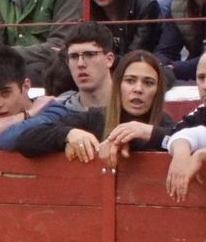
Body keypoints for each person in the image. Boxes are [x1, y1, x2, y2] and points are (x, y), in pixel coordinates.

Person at [15, 49, 172, 161]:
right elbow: (25, 140)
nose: (138, 89)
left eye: (148, 82)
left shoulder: (168, 126)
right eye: (130, 80)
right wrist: (68, 134)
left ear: (158, 90)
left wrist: (147, 133)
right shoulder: (96, 118)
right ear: (118, 85)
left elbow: (186, 142)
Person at [54, 21, 116, 112]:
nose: (80, 64)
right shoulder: (58, 111)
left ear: (109, 59)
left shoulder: (135, 107)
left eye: (90, 55)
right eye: (74, 56)